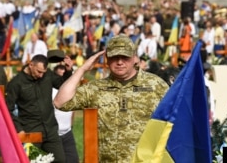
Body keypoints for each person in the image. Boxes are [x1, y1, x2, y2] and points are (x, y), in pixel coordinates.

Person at [53, 34, 169, 162]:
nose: (119, 62)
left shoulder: (156, 85)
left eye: (125, 57)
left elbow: (175, 123)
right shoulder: (97, 88)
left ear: (135, 58)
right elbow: (60, 102)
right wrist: (83, 69)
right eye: (114, 57)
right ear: (107, 59)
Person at [5, 53, 74, 163]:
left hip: (51, 129)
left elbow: (62, 84)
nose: (41, 75)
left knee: (60, 160)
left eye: (44, 72)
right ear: (31, 65)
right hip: (30, 131)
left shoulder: (48, 75)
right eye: (39, 71)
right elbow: (8, 109)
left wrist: (68, 70)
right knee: (35, 161)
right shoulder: (16, 83)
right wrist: (19, 129)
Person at [52, 64, 79, 163]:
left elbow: (73, 109)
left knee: (73, 160)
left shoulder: (71, 91)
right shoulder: (50, 90)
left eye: (65, 69)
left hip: (67, 132)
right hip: (54, 134)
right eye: (60, 68)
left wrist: (71, 125)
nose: (63, 71)